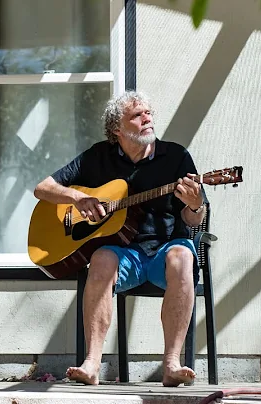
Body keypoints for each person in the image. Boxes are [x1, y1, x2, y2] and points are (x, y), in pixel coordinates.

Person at [33, 91, 208, 387]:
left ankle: (172, 364)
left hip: (167, 251)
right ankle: (91, 364)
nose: (147, 118)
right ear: (117, 129)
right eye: (137, 115)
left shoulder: (176, 156)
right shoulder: (98, 156)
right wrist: (77, 197)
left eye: (148, 113)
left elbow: (194, 222)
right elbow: (42, 188)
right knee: (100, 258)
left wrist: (195, 205)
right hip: (124, 252)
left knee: (182, 256)